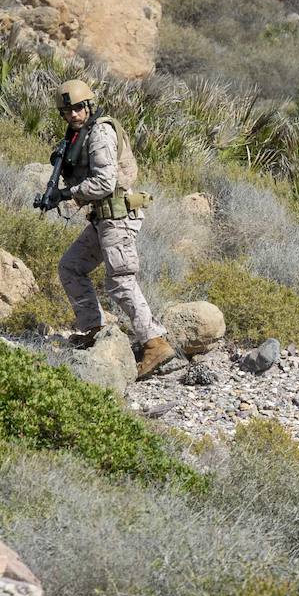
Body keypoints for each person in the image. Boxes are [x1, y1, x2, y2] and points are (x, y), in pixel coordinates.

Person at [51, 79, 175, 380]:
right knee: (71, 267)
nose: (73, 115)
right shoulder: (77, 135)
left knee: (120, 280)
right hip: (103, 218)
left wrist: (67, 194)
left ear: (89, 106)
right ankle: (94, 329)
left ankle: (154, 342)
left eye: (78, 108)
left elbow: (105, 183)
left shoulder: (100, 133)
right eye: (67, 111)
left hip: (119, 216)